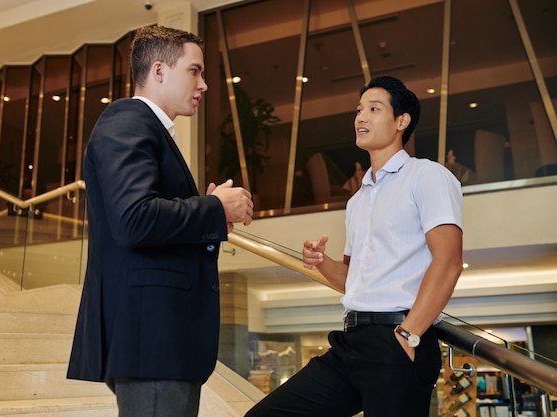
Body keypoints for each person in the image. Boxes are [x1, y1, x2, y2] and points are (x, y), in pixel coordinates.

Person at [245, 76, 463, 417]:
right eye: (359, 110)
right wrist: (321, 262)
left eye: (374, 109)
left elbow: (448, 261)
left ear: (401, 122)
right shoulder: (358, 200)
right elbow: (353, 279)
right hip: (351, 341)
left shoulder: (426, 176)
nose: (360, 117)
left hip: (398, 338)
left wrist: (408, 335)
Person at [67, 25, 254, 417]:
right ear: (158, 71)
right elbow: (135, 219)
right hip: (151, 341)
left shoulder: (144, 127)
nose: (203, 85)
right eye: (194, 71)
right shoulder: (127, 119)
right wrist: (215, 208)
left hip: (161, 343)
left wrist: (207, 212)